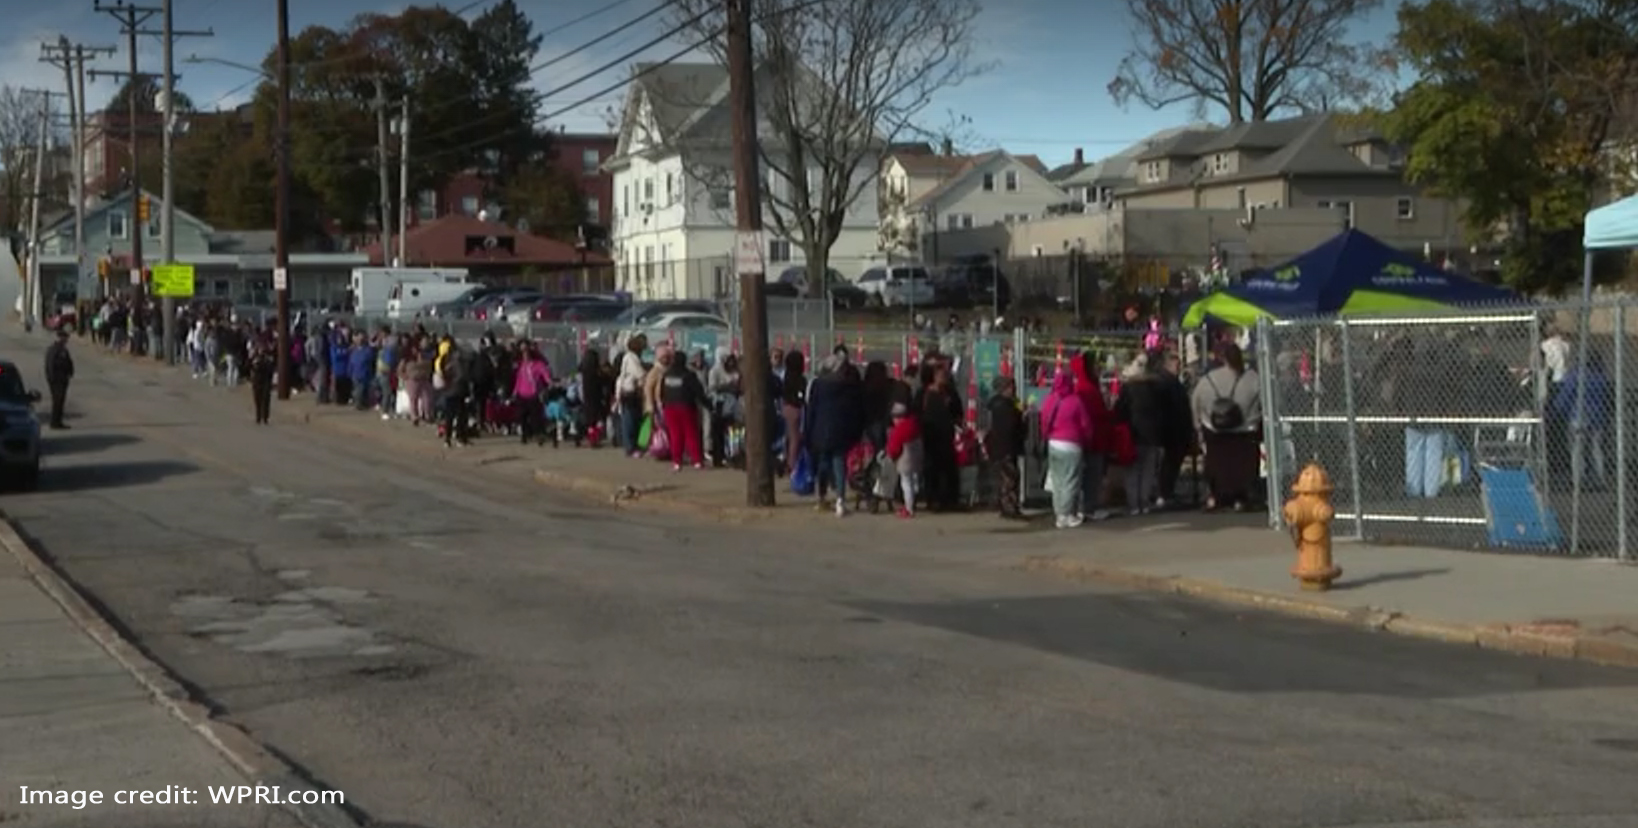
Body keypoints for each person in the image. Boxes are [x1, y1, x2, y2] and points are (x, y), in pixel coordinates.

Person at [1191, 342, 1262, 511]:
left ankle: (1217, 496)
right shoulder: (1253, 378)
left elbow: (1196, 402)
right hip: (1245, 431)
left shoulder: (1207, 380)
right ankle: (1241, 498)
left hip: (1214, 431)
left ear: (1222, 358)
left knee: (1217, 464)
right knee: (1243, 465)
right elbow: (1265, 402)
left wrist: (1199, 424)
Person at [805, 354, 865, 516]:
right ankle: (840, 499)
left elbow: (811, 409)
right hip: (841, 429)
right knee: (839, 463)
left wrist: (808, 431)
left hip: (821, 428)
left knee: (823, 463)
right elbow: (854, 410)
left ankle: (822, 496)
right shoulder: (848, 386)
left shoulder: (818, 385)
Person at [1040, 370, 1093, 528]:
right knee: (1071, 480)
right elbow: (1086, 425)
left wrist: (1047, 436)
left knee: (1057, 481)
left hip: (1053, 443)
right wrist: (1088, 440)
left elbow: (1044, 421)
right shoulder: (1075, 401)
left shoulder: (1050, 399)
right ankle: (1067, 514)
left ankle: (1059, 514)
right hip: (1072, 444)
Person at [985, 375, 1026, 520]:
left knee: (1007, 477)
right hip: (1006, 446)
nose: (1013, 390)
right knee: (1010, 478)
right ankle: (1009, 507)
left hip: (1000, 447)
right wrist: (1021, 416)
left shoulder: (1001, 404)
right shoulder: (1005, 406)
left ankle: (1007, 505)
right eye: (1011, 387)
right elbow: (1011, 426)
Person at [659, 348, 707, 470]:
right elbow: (698, 392)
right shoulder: (689, 375)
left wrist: (664, 404)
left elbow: (662, 392)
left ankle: (676, 461)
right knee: (691, 433)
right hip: (686, 407)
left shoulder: (667, 374)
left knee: (675, 434)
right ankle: (696, 460)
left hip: (670, 408)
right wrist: (708, 405)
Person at [884, 402, 923, 518]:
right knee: (912, 482)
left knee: (906, 484)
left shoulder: (899, 430)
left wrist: (890, 456)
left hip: (904, 461)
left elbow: (893, 448)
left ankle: (909, 508)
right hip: (916, 459)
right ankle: (910, 505)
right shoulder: (914, 425)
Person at [43, 327, 74, 429]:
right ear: (60, 338)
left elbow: (68, 362)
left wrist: (70, 372)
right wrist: (52, 378)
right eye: (65, 338)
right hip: (56, 380)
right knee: (57, 401)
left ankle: (58, 421)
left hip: (63, 379)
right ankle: (54, 422)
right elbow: (50, 364)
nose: (66, 340)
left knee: (60, 401)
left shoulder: (63, 349)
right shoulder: (54, 349)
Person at [248, 339, 276, 424]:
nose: (262, 350)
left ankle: (265, 417)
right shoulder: (254, 358)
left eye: (263, 349)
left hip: (266, 380)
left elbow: (272, 367)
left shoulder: (269, 358)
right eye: (260, 348)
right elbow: (248, 366)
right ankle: (258, 416)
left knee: (266, 399)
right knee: (257, 399)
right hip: (256, 380)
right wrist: (253, 362)